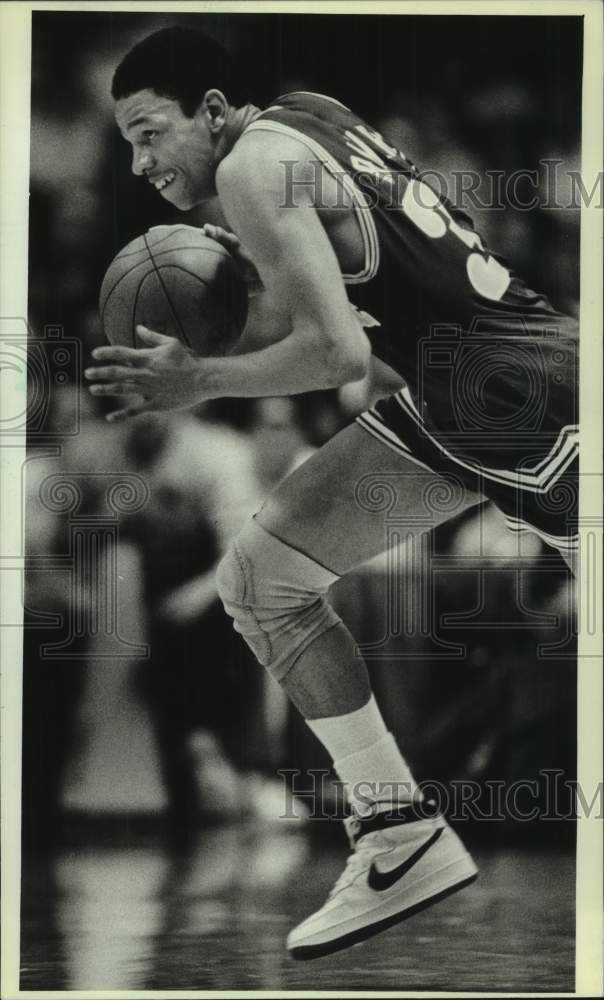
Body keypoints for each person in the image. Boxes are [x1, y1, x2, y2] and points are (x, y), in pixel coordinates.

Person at [85, 27, 578, 959]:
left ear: (216, 113)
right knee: (262, 579)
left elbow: (336, 355)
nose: (140, 163)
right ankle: (398, 834)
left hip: (525, 396)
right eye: (126, 143)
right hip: (465, 392)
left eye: (151, 133)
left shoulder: (248, 172)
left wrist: (199, 381)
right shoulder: (311, 119)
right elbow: (366, 284)